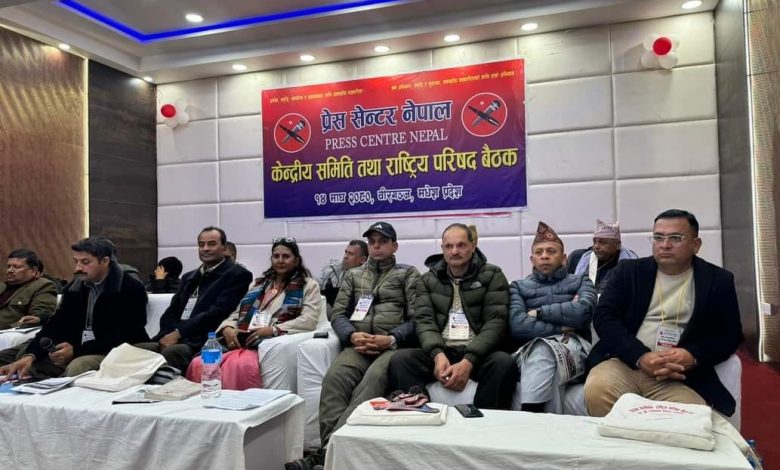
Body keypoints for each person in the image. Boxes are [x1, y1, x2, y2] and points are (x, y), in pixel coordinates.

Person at [584, 209, 743, 418]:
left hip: (678, 375)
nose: (665, 244)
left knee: (693, 417)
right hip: (625, 363)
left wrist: (693, 356)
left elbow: (730, 335)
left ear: (696, 245)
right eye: (658, 237)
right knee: (598, 391)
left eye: (675, 238)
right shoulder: (629, 271)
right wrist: (640, 356)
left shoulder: (718, 280)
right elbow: (604, 317)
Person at [389, 223, 517, 409]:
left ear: (473, 246)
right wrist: (437, 355)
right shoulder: (427, 280)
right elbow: (424, 322)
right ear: (442, 249)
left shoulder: (492, 275)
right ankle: (420, 414)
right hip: (443, 350)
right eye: (449, 246)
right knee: (401, 360)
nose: (454, 251)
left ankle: (485, 420)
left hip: (478, 352)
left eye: (461, 245)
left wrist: (469, 361)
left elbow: (495, 323)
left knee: (503, 363)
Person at [319, 222, 419, 447]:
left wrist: (392, 338)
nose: (376, 246)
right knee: (334, 379)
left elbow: (417, 318)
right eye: (372, 242)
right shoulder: (353, 275)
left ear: (395, 246)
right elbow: (338, 314)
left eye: (383, 242)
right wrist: (352, 336)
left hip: (391, 346)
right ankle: (329, 450)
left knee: (373, 380)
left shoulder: (407, 274)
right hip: (358, 344)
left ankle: (332, 448)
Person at [0, 237, 149, 379]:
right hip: (78, 345)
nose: (78, 268)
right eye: (76, 261)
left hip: (116, 348)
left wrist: (77, 350)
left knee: (78, 365)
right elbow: (58, 323)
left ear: (105, 261)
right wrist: (31, 355)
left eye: (85, 262)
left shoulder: (130, 287)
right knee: (25, 357)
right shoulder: (77, 286)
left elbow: (126, 334)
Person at [186, 238, 321, 389]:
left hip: (268, 340)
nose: (280, 260)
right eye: (276, 256)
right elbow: (237, 314)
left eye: (286, 256)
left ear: (296, 261)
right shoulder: (259, 284)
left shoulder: (308, 285)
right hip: (242, 338)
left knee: (239, 365)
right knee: (199, 362)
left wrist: (272, 329)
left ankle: (236, 403)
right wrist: (227, 328)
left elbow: (308, 319)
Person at [135, 226, 252, 373]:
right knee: (136, 350)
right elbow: (172, 311)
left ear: (223, 247)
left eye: (211, 244)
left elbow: (217, 313)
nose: (205, 249)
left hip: (203, 339)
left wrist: (179, 333)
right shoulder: (189, 277)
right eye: (201, 244)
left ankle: (171, 387)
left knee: (172, 353)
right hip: (176, 336)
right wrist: (168, 334)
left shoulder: (238, 274)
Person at [509, 221, 596, 413]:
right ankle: (546, 423)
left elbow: (583, 313)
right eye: (539, 252)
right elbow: (518, 325)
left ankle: (530, 414)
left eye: (551, 251)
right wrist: (560, 327)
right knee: (543, 350)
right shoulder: (518, 287)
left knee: (545, 354)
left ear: (564, 258)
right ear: (532, 259)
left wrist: (538, 313)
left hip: (575, 346)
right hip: (530, 350)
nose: (545, 256)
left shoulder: (581, 280)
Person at [574, 219, 638, 295]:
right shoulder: (585, 260)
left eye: (603, 243)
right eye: (594, 242)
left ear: (617, 245)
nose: (596, 246)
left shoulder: (630, 264)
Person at [0, 249, 58, 329]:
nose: (10, 270)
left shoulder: (43, 285)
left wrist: (38, 318)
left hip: (8, 332)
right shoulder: (2, 286)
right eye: (8, 266)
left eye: (16, 267)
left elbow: (40, 314)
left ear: (33, 270)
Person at [317, 240, 368, 308]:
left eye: (351, 254)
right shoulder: (331, 269)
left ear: (362, 260)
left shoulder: (368, 278)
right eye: (346, 252)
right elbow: (315, 290)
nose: (345, 256)